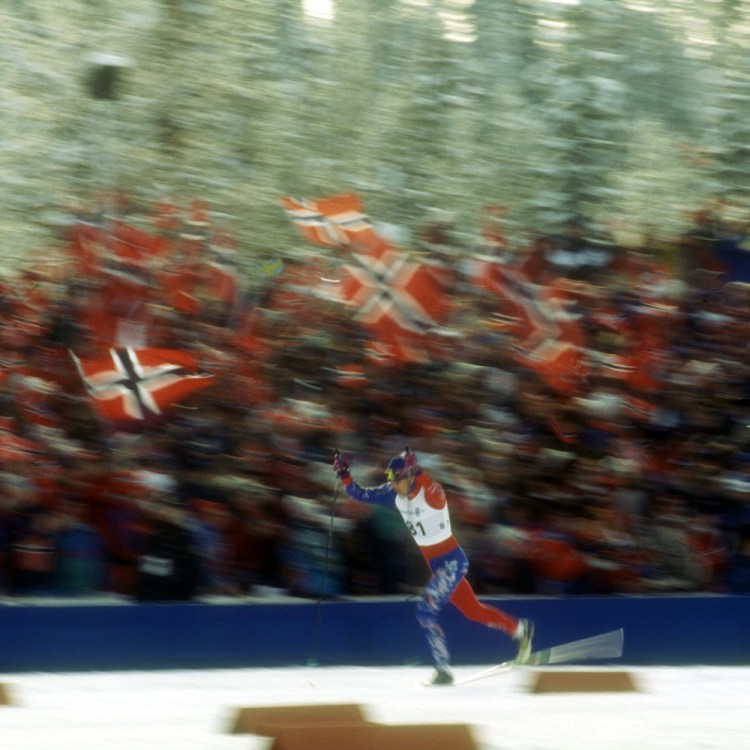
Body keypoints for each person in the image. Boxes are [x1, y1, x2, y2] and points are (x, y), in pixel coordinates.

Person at [333, 448, 533, 685]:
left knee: (425, 612)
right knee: (473, 610)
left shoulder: (429, 492)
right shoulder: (394, 493)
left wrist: (419, 471)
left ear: (409, 477)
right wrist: (345, 473)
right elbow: (359, 494)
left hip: (452, 562)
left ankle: (443, 669)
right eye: (392, 482)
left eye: (398, 481)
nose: (395, 487)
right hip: (438, 566)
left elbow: (437, 492)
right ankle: (520, 629)